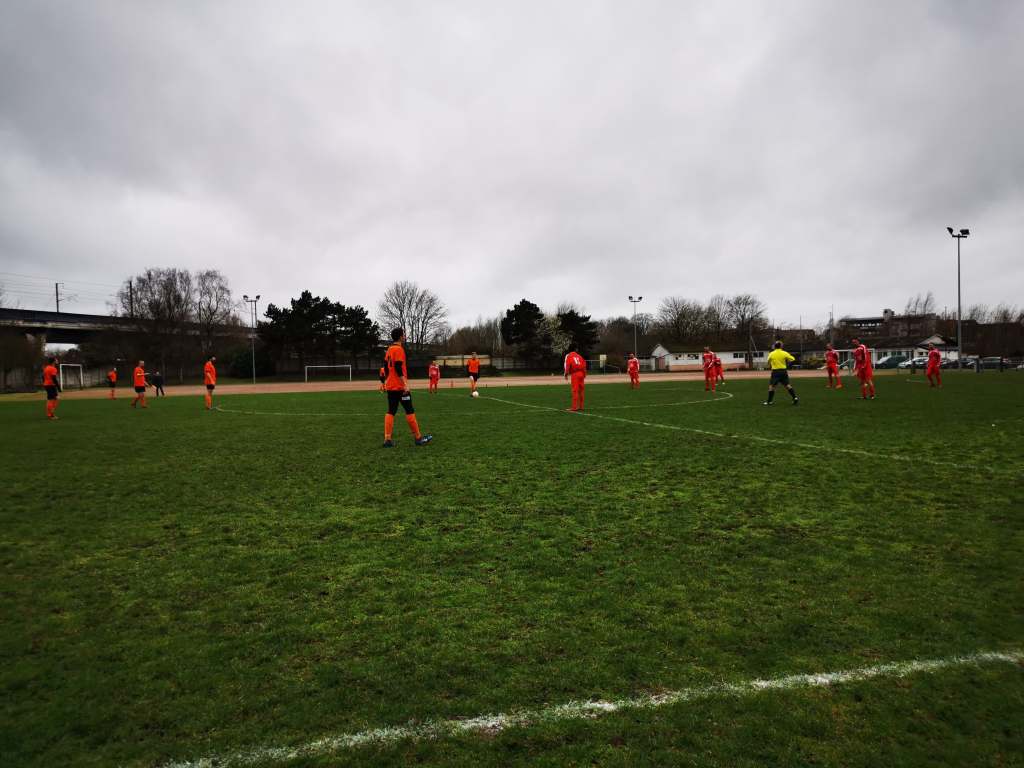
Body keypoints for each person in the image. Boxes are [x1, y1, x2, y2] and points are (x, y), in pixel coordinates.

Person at [382, 327, 432, 447]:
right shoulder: (399, 349)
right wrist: (405, 384)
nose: (404, 336)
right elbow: (398, 367)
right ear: (400, 337)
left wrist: (386, 382)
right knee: (409, 410)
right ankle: (418, 438)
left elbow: (385, 367)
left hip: (390, 386)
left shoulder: (389, 349)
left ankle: (387, 439)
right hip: (400, 387)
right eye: (403, 335)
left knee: (391, 411)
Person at [763, 341, 799, 406]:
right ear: (781, 346)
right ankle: (795, 398)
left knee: (771, 386)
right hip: (783, 371)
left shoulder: (772, 353)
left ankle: (769, 401)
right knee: (787, 385)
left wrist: (771, 364)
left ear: (775, 346)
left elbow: (768, 362)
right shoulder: (784, 353)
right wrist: (787, 363)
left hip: (775, 372)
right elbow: (793, 359)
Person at [564, 344, 587, 411]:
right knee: (581, 391)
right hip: (581, 374)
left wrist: (566, 374)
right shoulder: (579, 356)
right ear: (575, 349)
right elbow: (584, 365)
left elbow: (568, 365)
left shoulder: (569, 356)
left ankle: (574, 407)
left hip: (575, 374)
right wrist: (584, 374)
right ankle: (581, 406)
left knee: (575, 390)